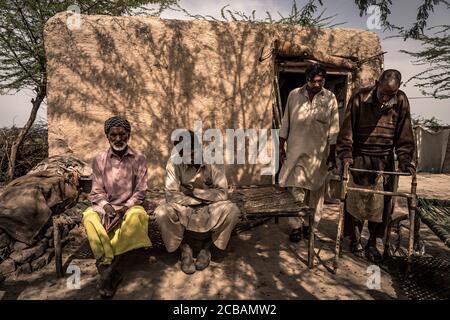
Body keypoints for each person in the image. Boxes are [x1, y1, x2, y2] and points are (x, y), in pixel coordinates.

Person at [336, 69, 415, 262]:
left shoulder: (401, 100)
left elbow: (404, 133)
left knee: (382, 206)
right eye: (383, 93)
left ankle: (372, 243)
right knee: (355, 202)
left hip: (384, 161)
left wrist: (405, 160)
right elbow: (347, 129)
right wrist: (346, 154)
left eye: (391, 95)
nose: (385, 99)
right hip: (360, 158)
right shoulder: (360, 97)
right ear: (376, 83)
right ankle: (355, 239)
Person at [82, 116, 151, 298]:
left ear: (128, 135)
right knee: (88, 217)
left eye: (122, 134)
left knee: (138, 217)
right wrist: (107, 207)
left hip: (130, 206)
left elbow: (141, 191)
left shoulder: (139, 158)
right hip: (106, 207)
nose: (118, 138)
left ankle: (110, 270)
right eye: (114, 135)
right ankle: (107, 263)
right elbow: (96, 191)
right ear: (107, 136)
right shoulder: (99, 159)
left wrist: (125, 208)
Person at [155, 131, 240, 274]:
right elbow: (171, 196)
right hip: (186, 206)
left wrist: (194, 192)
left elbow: (223, 193)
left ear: (199, 146)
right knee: (162, 212)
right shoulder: (173, 162)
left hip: (211, 206)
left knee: (232, 211)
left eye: (191, 150)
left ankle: (207, 249)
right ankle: (184, 248)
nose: (188, 155)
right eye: (183, 152)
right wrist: (197, 199)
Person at [278, 63, 340, 242]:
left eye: (321, 81)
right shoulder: (294, 95)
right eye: (314, 81)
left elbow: (334, 129)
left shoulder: (330, 98)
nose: (318, 84)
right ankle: (296, 226)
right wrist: (281, 147)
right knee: (296, 191)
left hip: (318, 156)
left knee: (315, 194)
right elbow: (285, 123)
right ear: (307, 80)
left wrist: (332, 154)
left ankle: (310, 226)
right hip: (296, 153)